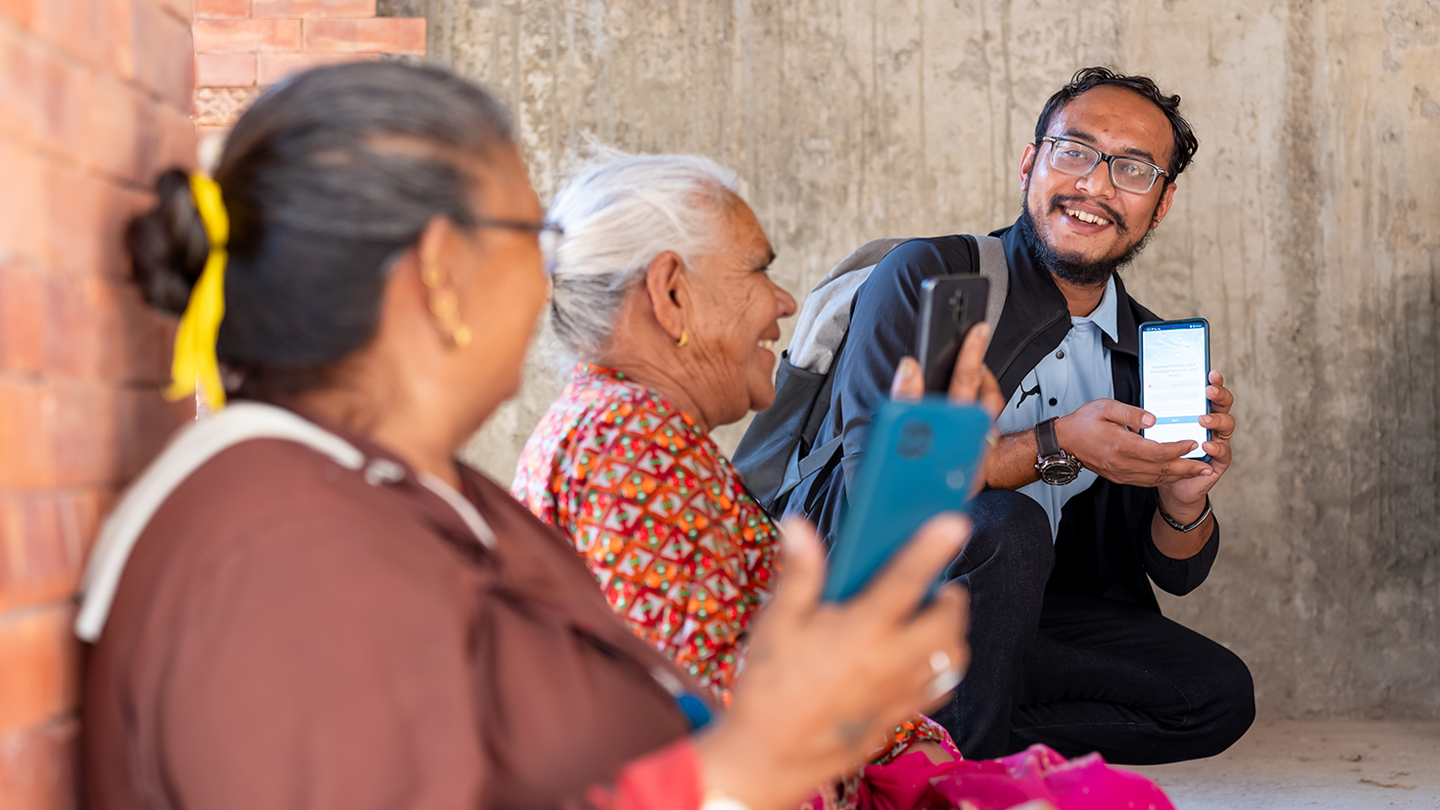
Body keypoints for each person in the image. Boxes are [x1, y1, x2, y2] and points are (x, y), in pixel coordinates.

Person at [77, 62, 974, 810]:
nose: (554, 275)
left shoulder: (399, 491)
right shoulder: (280, 548)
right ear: (440, 273)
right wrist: (762, 757)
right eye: (530, 232)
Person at [511, 150, 1176, 810]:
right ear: (672, 293)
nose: (785, 301)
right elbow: (733, 745)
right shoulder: (631, 449)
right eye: (757, 270)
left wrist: (917, 744)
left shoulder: (632, 431)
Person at [787, 67, 1257, 765]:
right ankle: (951, 781)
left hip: (1006, 622)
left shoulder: (1142, 349)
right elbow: (876, 490)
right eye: (1075, 152)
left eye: (1132, 168)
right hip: (865, 601)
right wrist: (1054, 443)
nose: (1095, 185)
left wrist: (1183, 500)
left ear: (1159, 206)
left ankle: (911, 736)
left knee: (1212, 694)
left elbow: (1177, 573)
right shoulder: (938, 279)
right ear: (1030, 163)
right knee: (1009, 527)